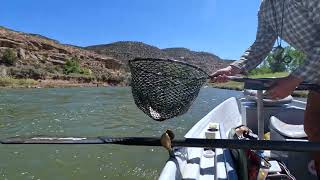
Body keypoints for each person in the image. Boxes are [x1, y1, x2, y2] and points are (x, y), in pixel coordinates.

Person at [211, 0, 320, 176]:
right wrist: (233, 69)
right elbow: (261, 44)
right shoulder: (265, 9)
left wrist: (294, 79)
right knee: (313, 127)